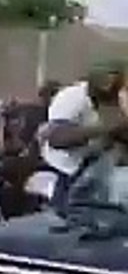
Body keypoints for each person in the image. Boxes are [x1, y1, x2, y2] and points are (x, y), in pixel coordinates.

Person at [40, 62, 128, 208]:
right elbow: (57, 138)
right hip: (67, 169)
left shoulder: (121, 98)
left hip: (102, 170)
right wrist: (107, 128)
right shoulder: (72, 97)